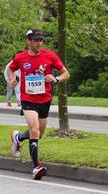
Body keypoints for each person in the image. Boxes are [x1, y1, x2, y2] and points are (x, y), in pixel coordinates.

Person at [7, 29, 70, 180]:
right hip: (28, 99)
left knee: (39, 133)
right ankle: (36, 167)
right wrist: (12, 79)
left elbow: (66, 74)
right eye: (36, 40)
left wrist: (55, 79)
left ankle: (18, 137)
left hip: (45, 100)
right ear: (28, 41)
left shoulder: (50, 55)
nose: (39, 43)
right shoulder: (20, 57)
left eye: (41, 40)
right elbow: (11, 69)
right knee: (34, 130)